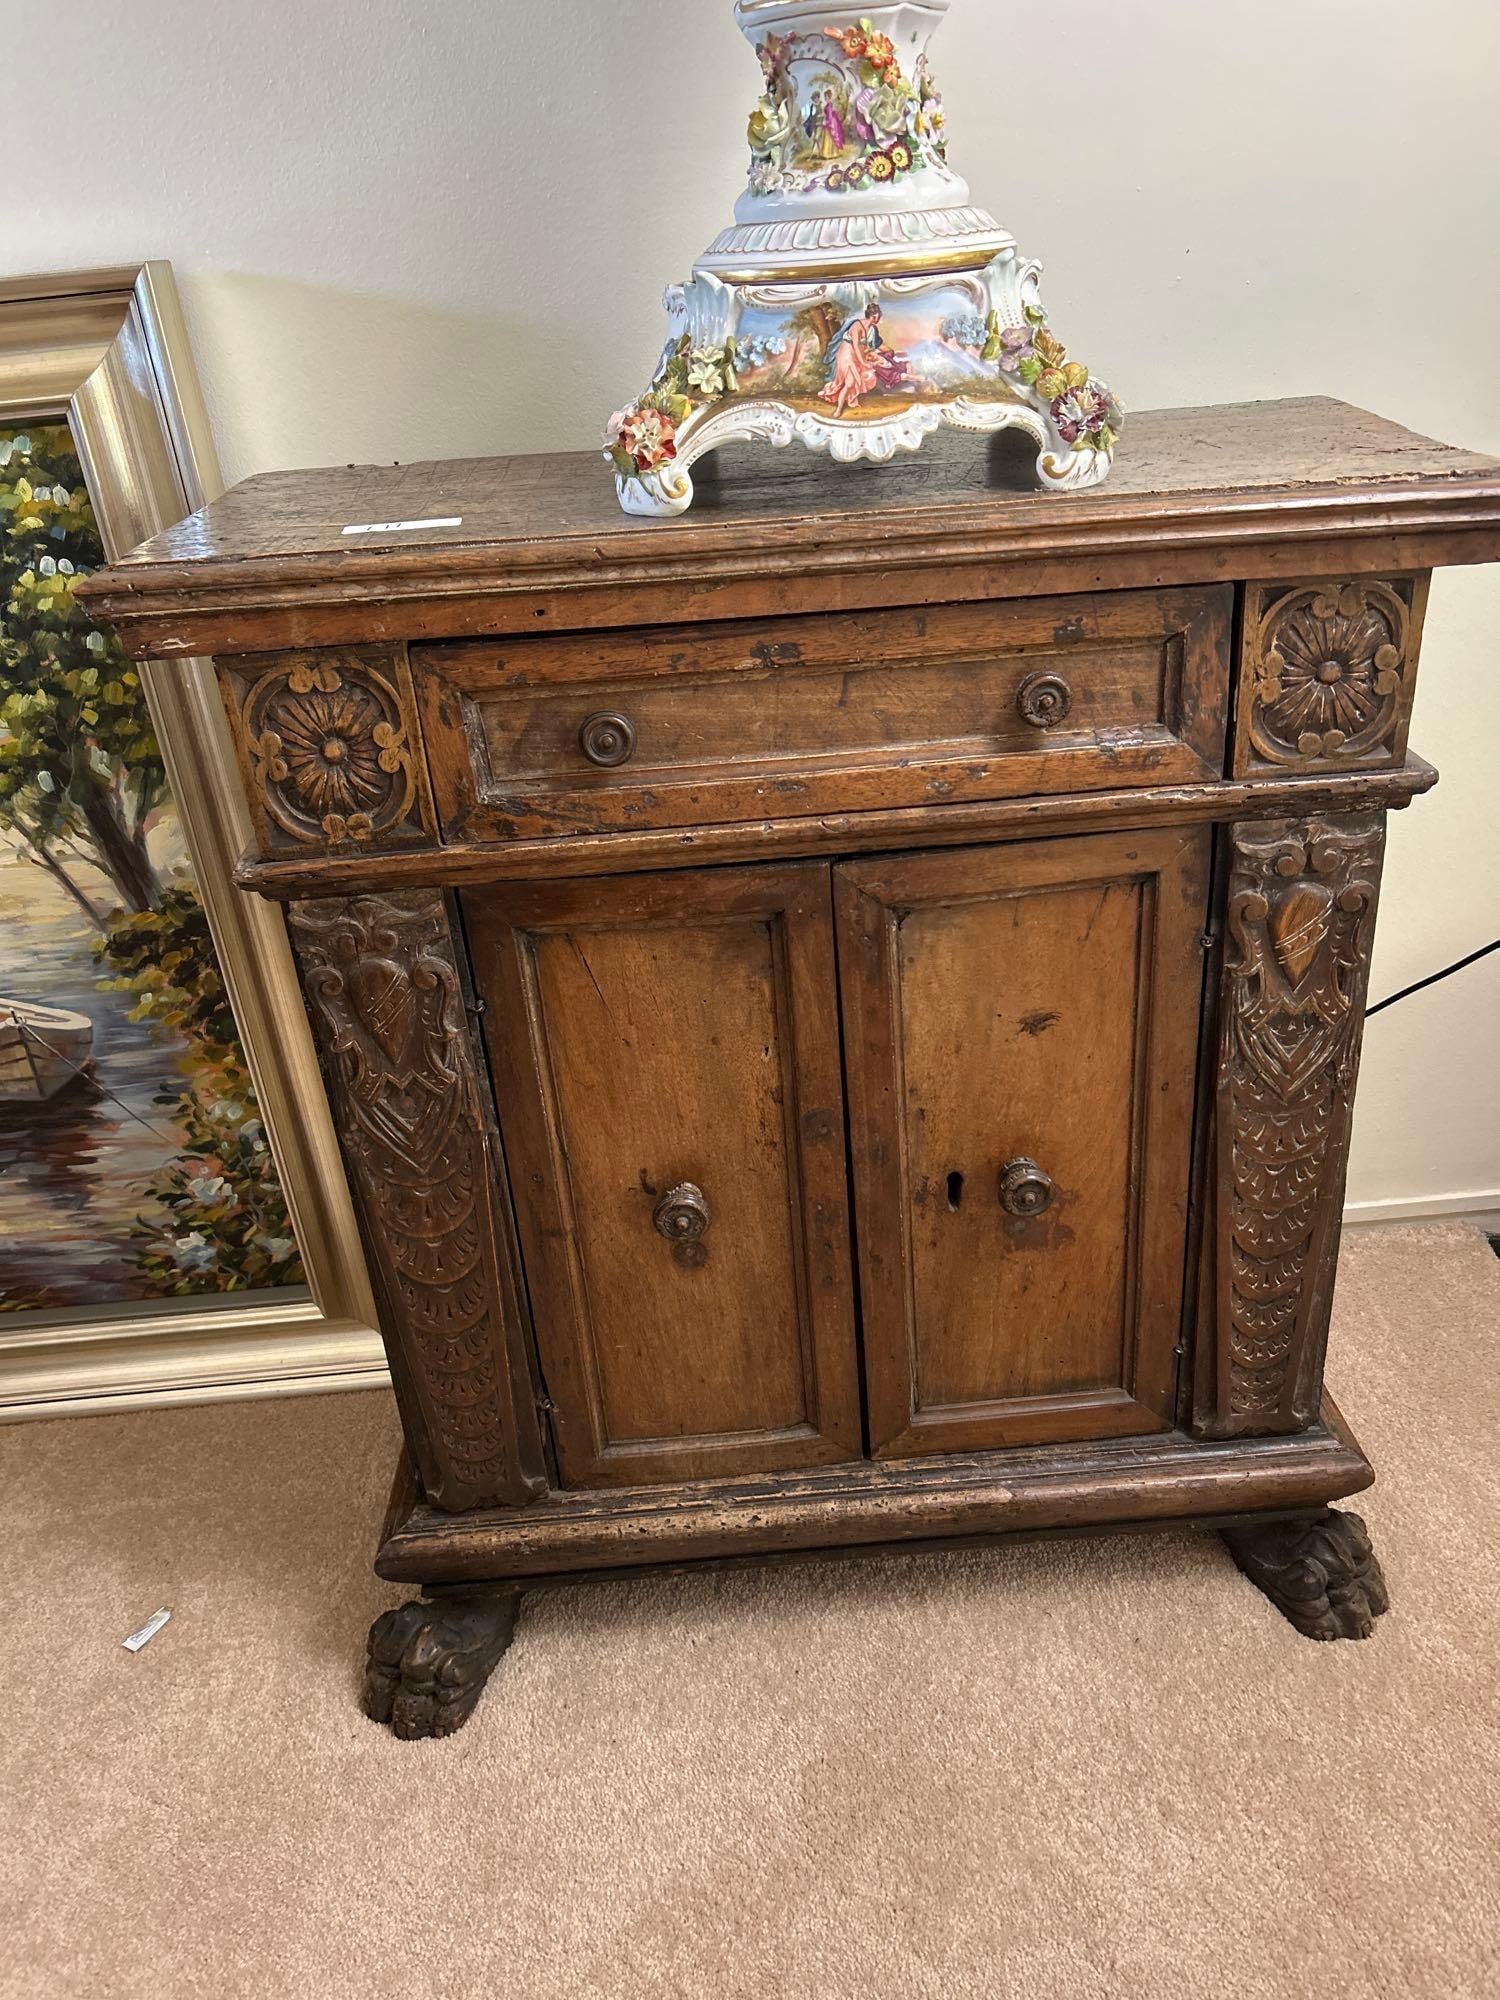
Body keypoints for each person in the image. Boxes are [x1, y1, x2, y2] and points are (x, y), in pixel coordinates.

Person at [820, 303, 886, 417]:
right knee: (849, 382)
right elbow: (855, 345)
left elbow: (869, 346)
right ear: (870, 315)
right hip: (847, 352)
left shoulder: (872, 329)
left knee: (857, 380)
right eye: (875, 316)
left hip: (858, 353)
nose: (877, 319)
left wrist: (870, 355)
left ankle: (844, 402)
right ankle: (839, 409)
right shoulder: (857, 325)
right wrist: (862, 362)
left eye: (878, 316)